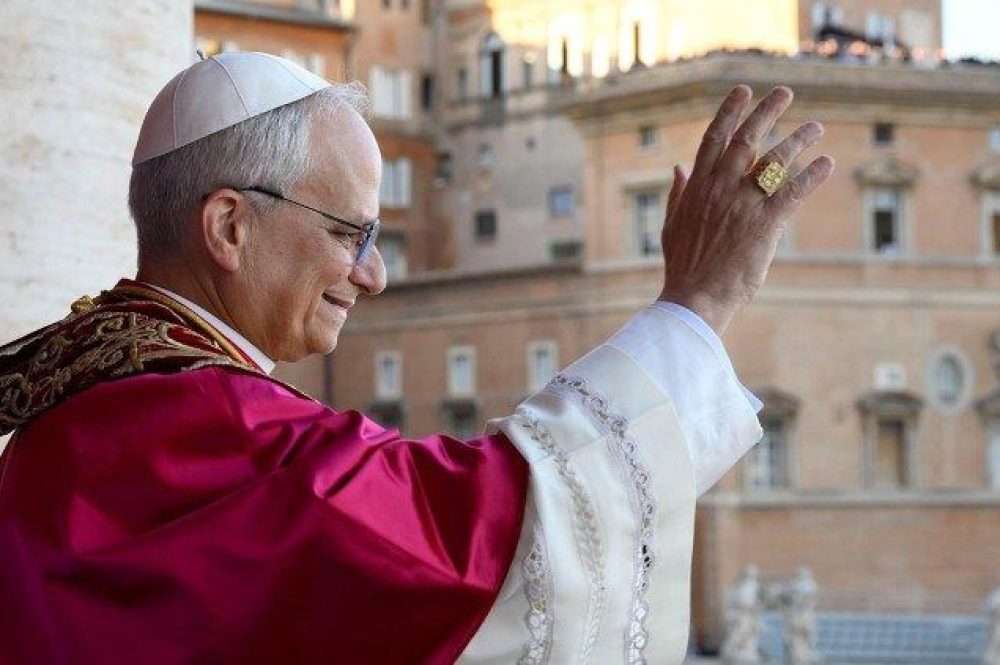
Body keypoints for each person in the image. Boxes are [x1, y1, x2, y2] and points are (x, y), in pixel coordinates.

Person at [0, 52, 833, 663]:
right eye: (351, 233)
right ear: (228, 227)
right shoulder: (216, 429)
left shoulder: (62, 412)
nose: (375, 273)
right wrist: (700, 301)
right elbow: (486, 535)